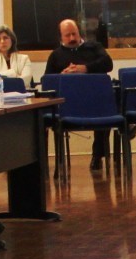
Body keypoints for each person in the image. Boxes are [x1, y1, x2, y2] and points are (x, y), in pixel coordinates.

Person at [45, 17, 117, 168]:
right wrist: (62, 76)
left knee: (107, 109)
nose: (72, 38)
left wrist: (85, 68)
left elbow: (108, 64)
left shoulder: (94, 47)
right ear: (60, 37)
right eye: (67, 35)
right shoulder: (56, 55)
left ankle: (97, 155)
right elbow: (48, 82)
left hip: (95, 101)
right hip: (68, 105)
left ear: (79, 33)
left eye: (74, 34)